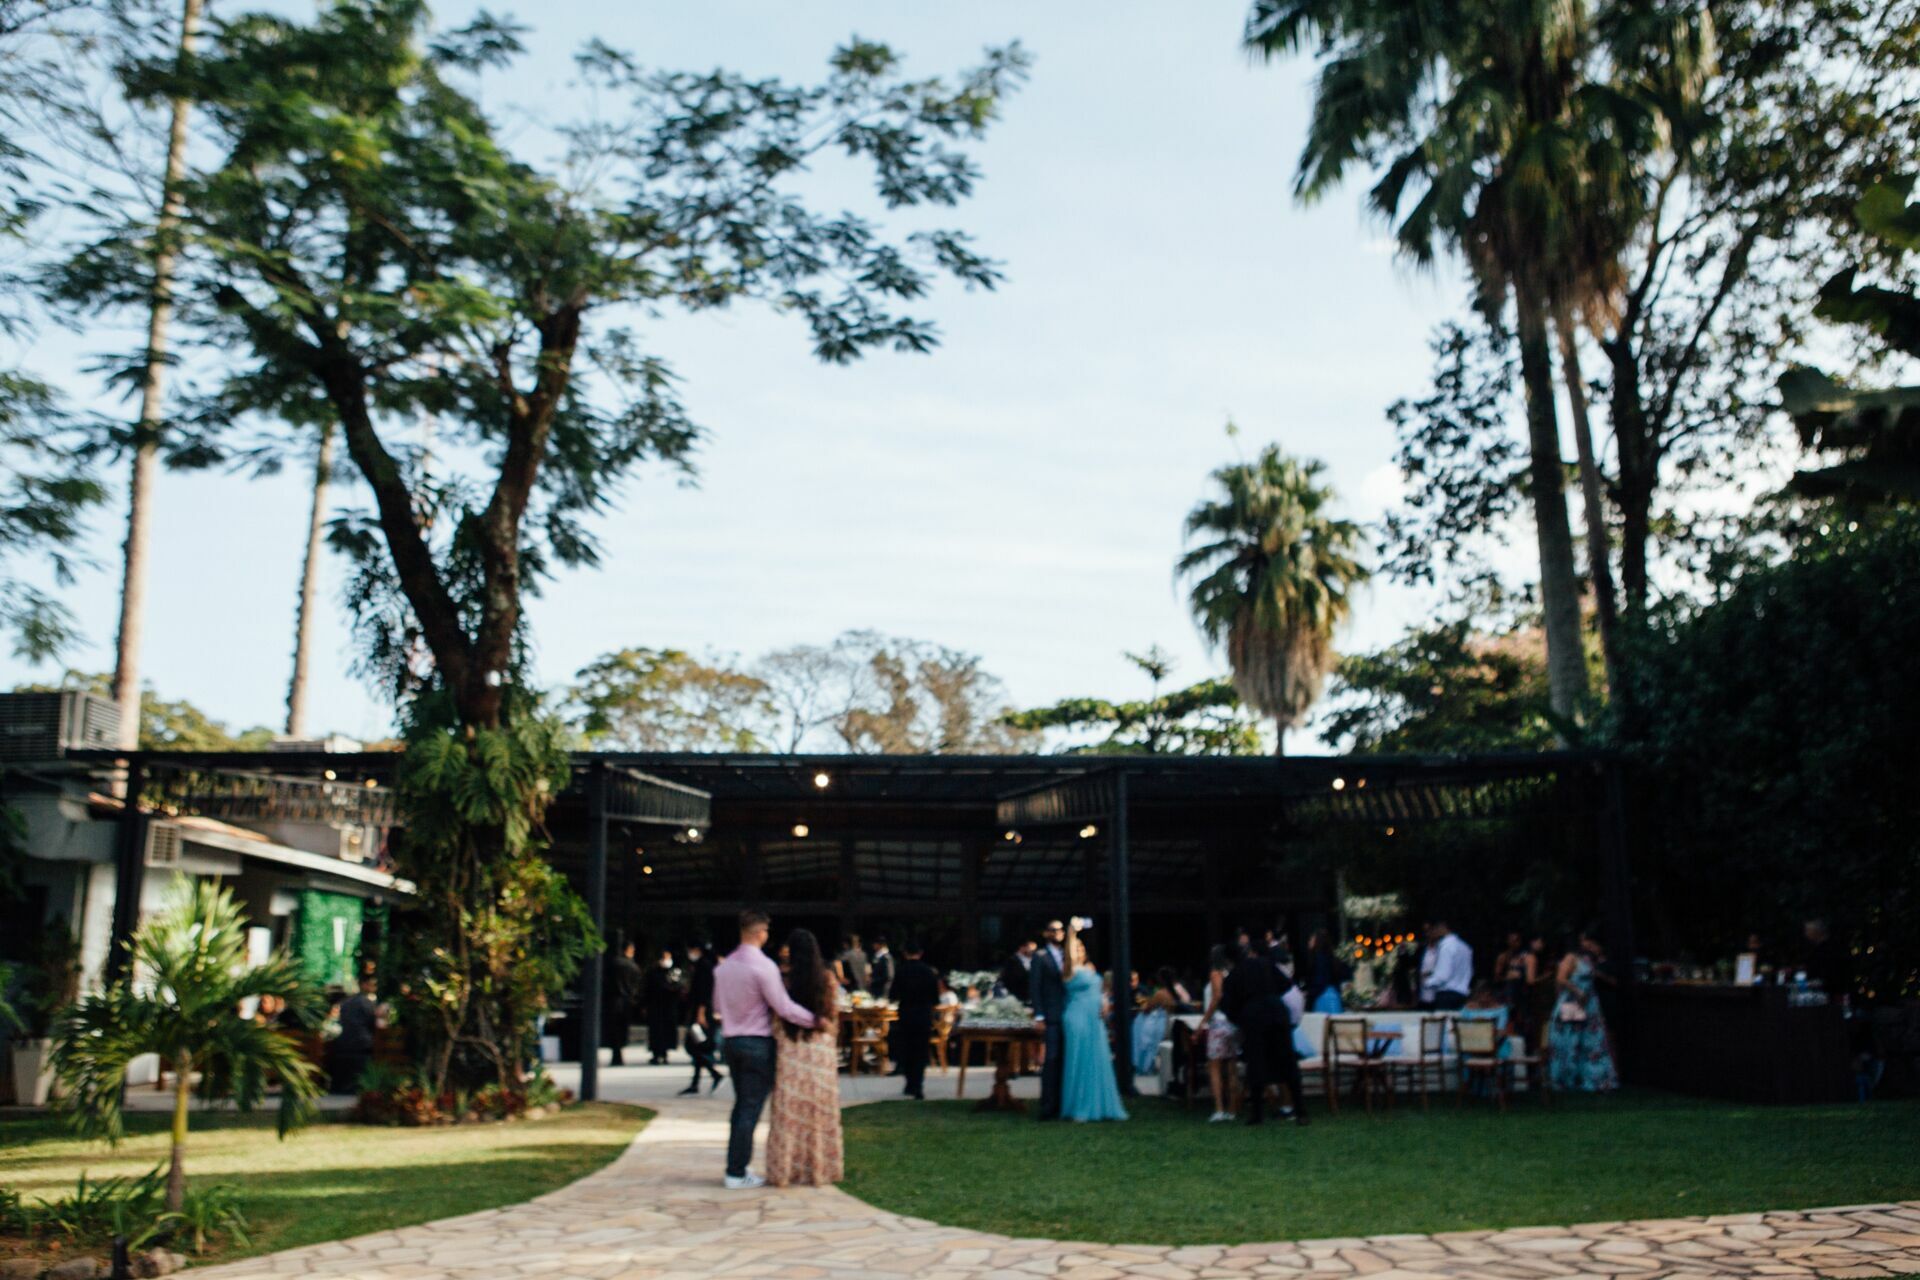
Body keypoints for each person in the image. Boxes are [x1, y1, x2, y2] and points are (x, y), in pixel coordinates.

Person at [713, 909, 818, 1189]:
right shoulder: (763, 966)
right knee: (749, 1108)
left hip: (731, 1041)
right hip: (757, 1043)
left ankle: (735, 1167)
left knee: (741, 1106)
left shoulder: (723, 968)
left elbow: (716, 1007)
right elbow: (783, 1007)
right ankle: (736, 1172)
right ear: (761, 933)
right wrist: (816, 1020)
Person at [764, 928, 842, 1187]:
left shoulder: (782, 981)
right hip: (819, 1049)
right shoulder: (827, 979)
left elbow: (777, 1016)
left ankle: (785, 1168)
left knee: (789, 1111)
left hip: (791, 1048)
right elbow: (832, 1016)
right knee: (818, 1110)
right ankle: (820, 1168)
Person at [1223, 939, 1308, 1127]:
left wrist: (1242, 1019)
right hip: (1277, 1013)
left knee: (1256, 1063)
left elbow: (1229, 1008)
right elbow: (1287, 987)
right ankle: (1300, 1111)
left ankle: (1257, 1114)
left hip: (1253, 1017)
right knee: (1288, 1061)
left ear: (1229, 960)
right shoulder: (1266, 964)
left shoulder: (1233, 977)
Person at [1058, 924, 1128, 1122]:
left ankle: (1099, 1104)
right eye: (1076, 948)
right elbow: (1070, 956)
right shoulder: (1069, 970)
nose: (1079, 950)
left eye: (1081, 948)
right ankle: (1079, 1105)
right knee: (1079, 1060)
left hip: (1094, 1019)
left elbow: (1099, 990)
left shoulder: (1089, 969)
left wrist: (1104, 1001)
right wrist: (1072, 933)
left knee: (1097, 1059)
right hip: (1077, 1016)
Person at [1548, 929, 1618, 1092]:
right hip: (1573, 1001)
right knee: (1571, 1039)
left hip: (1589, 1003)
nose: (1592, 947)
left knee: (1590, 1040)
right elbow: (1561, 978)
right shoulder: (1571, 958)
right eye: (1590, 944)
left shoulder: (1589, 960)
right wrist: (1577, 991)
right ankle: (1566, 1078)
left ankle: (1595, 1077)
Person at [890, 940, 941, 1099]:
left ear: (905, 954)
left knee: (906, 1049)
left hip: (906, 1014)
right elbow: (935, 998)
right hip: (923, 1015)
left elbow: (893, 995)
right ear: (921, 953)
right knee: (920, 1050)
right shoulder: (929, 972)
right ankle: (918, 1085)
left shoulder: (901, 971)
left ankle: (908, 1082)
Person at [1030, 918, 1068, 1120]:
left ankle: (1063, 1103)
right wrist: (1039, 1015)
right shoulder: (1040, 956)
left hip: (1069, 1015)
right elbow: (1035, 988)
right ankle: (1047, 1106)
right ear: (1046, 933)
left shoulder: (1067, 954)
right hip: (1051, 1016)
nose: (1057, 933)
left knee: (1065, 1060)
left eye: (1060, 929)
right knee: (1051, 1059)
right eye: (1053, 930)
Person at [1199, 943, 1242, 1123]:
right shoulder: (1233, 974)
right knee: (1231, 1067)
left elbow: (1217, 997)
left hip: (1218, 1023)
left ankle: (1219, 1108)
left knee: (1215, 1067)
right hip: (1232, 1023)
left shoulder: (1216, 973)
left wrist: (1204, 1020)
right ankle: (1232, 1109)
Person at [680, 941, 724, 1096]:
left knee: (693, 1046)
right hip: (701, 1010)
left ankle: (712, 1073)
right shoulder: (706, 965)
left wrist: (701, 1012)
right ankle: (697, 1081)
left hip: (701, 1012)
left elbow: (704, 992)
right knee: (697, 1046)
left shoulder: (704, 966)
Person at [330, 975, 386, 1094]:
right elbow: (373, 1023)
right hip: (362, 1043)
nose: (373, 987)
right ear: (363, 985)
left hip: (343, 1042)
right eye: (371, 984)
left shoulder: (345, 1002)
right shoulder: (366, 1003)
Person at [1493, 931, 1540, 1046]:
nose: (1513, 943)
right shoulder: (1504, 957)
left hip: (1522, 996)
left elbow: (1530, 980)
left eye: (1516, 940)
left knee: (1523, 1026)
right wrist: (1507, 977)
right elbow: (1497, 978)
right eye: (1511, 940)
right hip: (1507, 995)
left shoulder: (1528, 957)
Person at [1418, 920, 1473, 1011]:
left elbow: (1443, 975)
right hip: (1462, 993)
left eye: (1433, 929)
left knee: (1444, 1023)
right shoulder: (1465, 947)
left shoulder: (1446, 947)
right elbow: (1469, 971)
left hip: (1447, 995)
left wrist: (1427, 982)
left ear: (1441, 927)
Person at [607, 940, 643, 1066]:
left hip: (613, 999)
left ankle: (615, 1053)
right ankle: (620, 1051)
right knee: (622, 1027)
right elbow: (637, 985)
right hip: (626, 1000)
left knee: (614, 1028)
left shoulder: (613, 963)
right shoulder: (633, 967)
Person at [1802, 918, 1851, 1004]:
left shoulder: (1831, 949)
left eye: (1808, 930)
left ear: (1817, 932)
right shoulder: (1816, 949)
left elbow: (1833, 972)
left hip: (1831, 994)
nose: (1806, 934)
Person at [643, 947, 679, 1065]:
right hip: (655, 1007)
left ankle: (664, 1053)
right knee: (656, 1031)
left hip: (668, 1007)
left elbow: (678, 989)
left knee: (666, 1031)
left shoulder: (673, 972)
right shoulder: (653, 973)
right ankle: (656, 1053)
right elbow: (647, 989)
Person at [1304, 929, 1351, 1014]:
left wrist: (1309, 993)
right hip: (1334, 995)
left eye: (1311, 940)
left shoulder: (1318, 959)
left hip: (1322, 996)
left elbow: (1320, 980)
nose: (1309, 942)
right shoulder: (1331, 958)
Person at [867, 936, 895, 1001]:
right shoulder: (878, 956)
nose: (873, 946)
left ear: (879, 945)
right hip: (876, 988)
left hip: (883, 989)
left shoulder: (886, 957)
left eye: (874, 944)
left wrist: (873, 980)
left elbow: (889, 976)